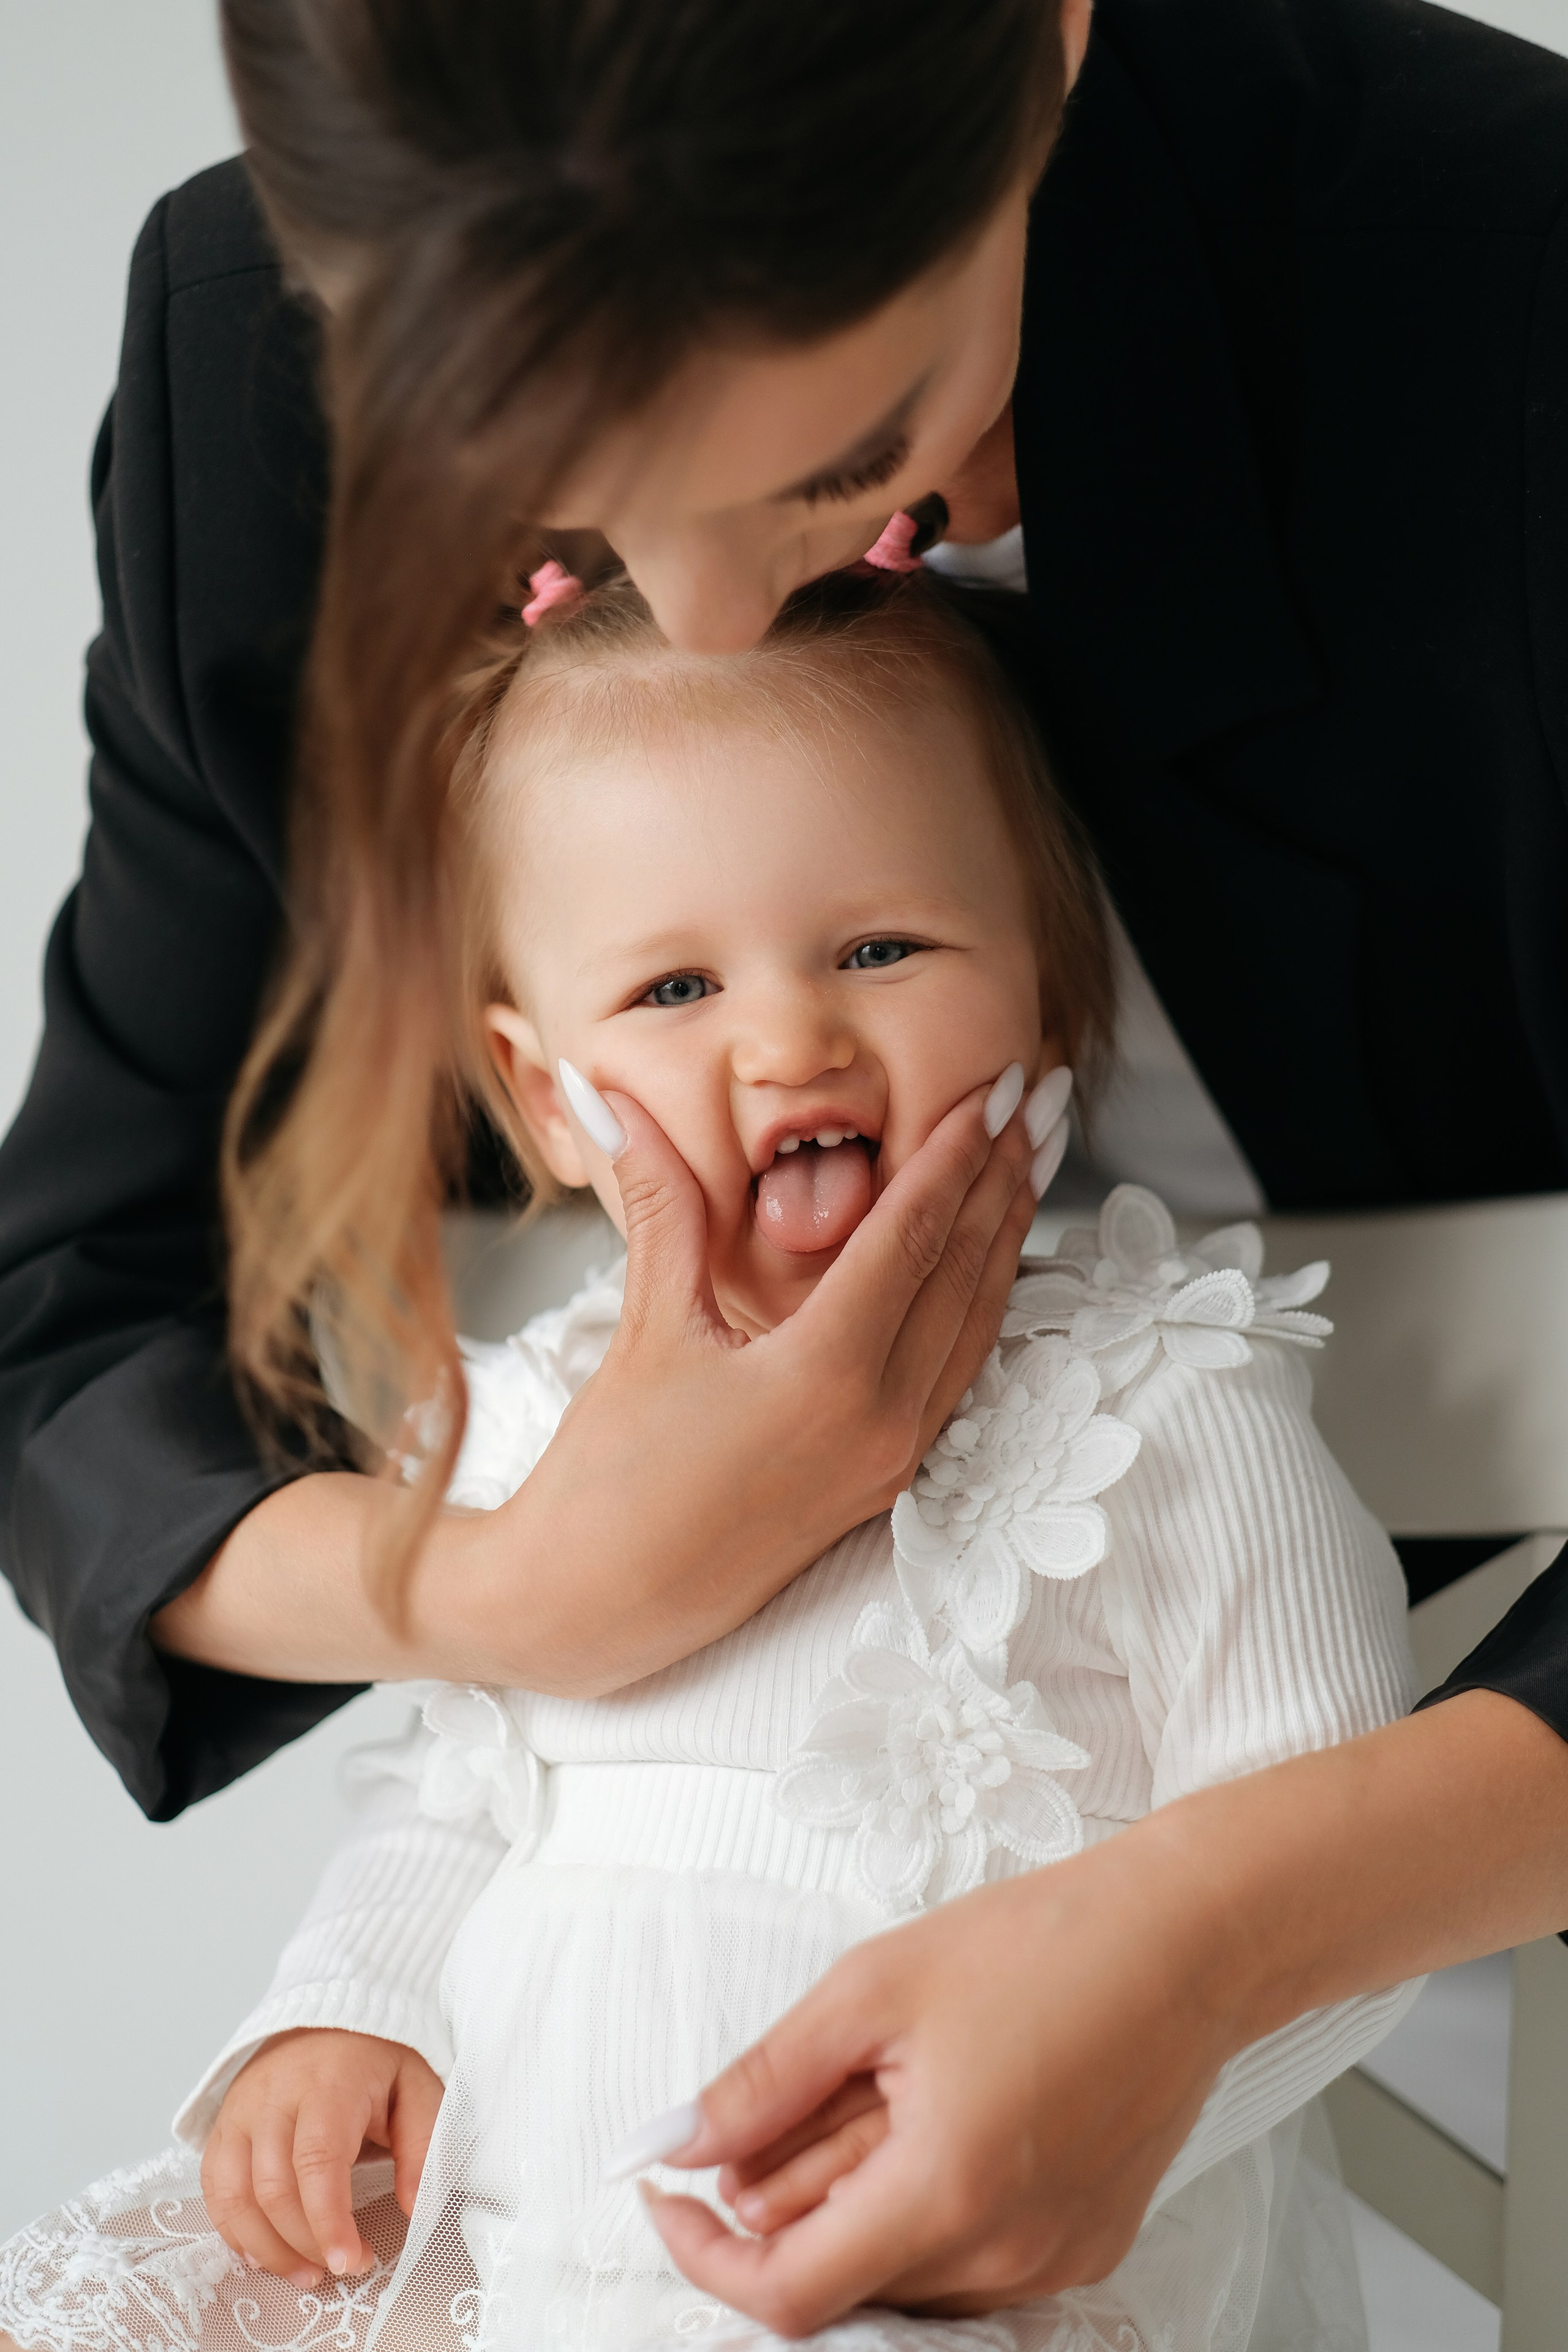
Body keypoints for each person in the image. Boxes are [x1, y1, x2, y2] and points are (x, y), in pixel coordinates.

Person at [4, 0, 1568, 2330]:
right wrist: (523, 1596)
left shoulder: (1500, 277)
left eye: (845, 451)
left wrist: (1209, 1933)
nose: (717, 617)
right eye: (548, 495)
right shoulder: (248, 371)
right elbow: (73, 1334)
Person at [0, 570, 1422, 2352]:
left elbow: (1338, 1883)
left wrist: (1081, 2119)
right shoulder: (533, 1421)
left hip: (938, 2265)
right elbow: (468, 1786)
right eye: (674, 985)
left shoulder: (1167, 1406)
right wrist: (346, 2004)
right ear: (546, 1096)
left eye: (881, 949)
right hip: (515, 2233)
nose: (790, 1039)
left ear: (1051, 995)